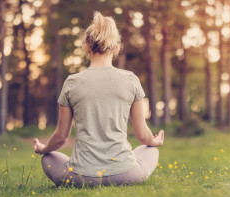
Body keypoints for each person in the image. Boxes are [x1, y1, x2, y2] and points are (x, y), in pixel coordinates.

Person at [33, 11, 164, 187]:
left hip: (80, 177)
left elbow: (60, 138)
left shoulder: (72, 83)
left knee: (48, 158)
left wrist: (43, 149)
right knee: (150, 150)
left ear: (87, 46)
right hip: (126, 174)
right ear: (116, 48)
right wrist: (154, 141)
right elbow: (142, 135)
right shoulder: (131, 80)